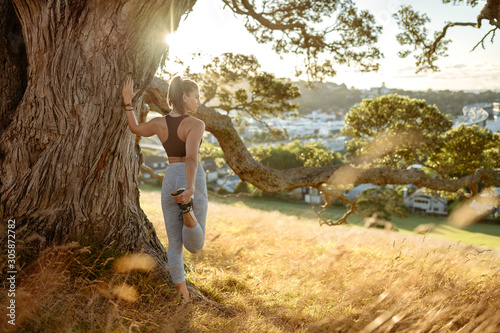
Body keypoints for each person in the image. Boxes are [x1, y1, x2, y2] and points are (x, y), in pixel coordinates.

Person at [122, 75, 207, 301]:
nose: (199, 101)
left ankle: (184, 297)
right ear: (184, 96)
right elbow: (191, 158)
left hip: (170, 178)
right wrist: (189, 189)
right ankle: (187, 210)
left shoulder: (159, 122)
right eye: (196, 97)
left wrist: (127, 101)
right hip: (191, 179)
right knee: (196, 245)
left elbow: (135, 128)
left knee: (175, 244)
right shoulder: (196, 125)